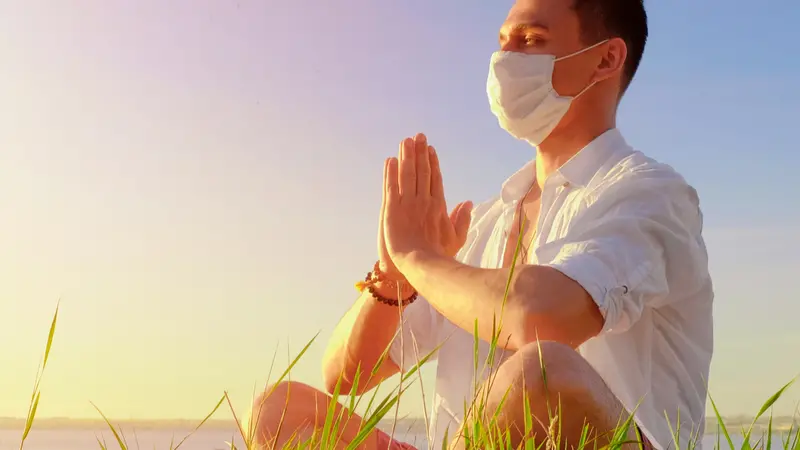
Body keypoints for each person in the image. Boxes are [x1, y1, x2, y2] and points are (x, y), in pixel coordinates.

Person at [251, 0, 714, 448]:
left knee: (542, 370)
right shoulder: (485, 224)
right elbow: (345, 376)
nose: (504, 60)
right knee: (280, 410)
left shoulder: (650, 194)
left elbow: (541, 319)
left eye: (531, 40)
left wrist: (419, 256)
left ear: (606, 58)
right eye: (502, 42)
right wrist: (396, 277)